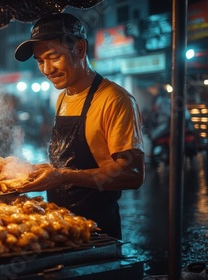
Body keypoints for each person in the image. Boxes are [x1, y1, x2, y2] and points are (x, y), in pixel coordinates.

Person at [13, 13, 145, 239]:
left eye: (54, 57)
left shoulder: (114, 100)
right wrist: (37, 172)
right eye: (40, 61)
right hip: (60, 224)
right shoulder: (64, 97)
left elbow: (132, 174)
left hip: (97, 230)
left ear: (80, 49)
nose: (46, 69)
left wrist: (63, 176)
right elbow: (66, 161)